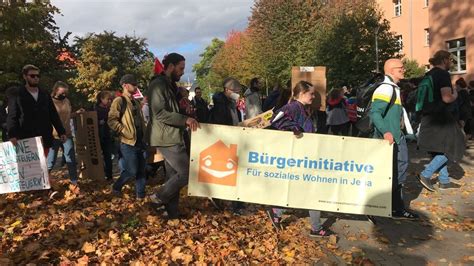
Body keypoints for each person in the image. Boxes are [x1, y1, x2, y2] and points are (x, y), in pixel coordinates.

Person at [267, 81, 334, 237]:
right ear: (302, 93)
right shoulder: (293, 107)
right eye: (311, 94)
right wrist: (293, 128)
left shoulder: (302, 108)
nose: (313, 96)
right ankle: (315, 228)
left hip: (304, 156)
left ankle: (277, 211)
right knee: (312, 189)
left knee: (303, 188)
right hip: (300, 156)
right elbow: (275, 120)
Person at [147, 53, 199, 219]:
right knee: (187, 173)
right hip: (166, 137)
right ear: (170, 66)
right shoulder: (158, 85)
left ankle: (172, 213)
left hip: (172, 135)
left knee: (172, 176)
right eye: (181, 68)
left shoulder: (169, 85)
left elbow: (172, 108)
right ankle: (157, 198)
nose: (183, 72)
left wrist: (180, 97)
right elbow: (160, 113)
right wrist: (185, 119)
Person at [370, 58, 419, 219]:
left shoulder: (392, 88)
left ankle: (392, 207)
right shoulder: (386, 89)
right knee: (396, 173)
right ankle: (393, 208)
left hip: (396, 138)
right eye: (400, 68)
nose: (403, 70)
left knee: (395, 173)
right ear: (390, 70)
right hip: (391, 140)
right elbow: (375, 113)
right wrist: (386, 132)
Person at [417, 50, 465, 191]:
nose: (451, 63)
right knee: (455, 145)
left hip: (429, 116)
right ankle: (425, 174)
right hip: (441, 117)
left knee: (440, 149)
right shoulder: (443, 74)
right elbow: (447, 98)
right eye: (450, 60)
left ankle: (444, 181)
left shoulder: (429, 74)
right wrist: (455, 94)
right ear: (444, 60)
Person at [7, 64, 66, 155]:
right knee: (30, 168)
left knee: (43, 166)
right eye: (32, 76)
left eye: (38, 76)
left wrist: (61, 131)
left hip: (44, 136)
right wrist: (12, 135)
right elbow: (12, 116)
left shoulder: (45, 94)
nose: (36, 78)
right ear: (25, 77)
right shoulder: (17, 94)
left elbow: (53, 114)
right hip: (25, 137)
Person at [108, 74, 147, 199]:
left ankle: (140, 196)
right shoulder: (119, 101)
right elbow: (112, 120)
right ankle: (116, 186)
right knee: (131, 171)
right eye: (133, 84)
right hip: (128, 143)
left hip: (140, 141)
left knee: (142, 171)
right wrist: (124, 131)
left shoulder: (136, 101)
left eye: (136, 84)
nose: (136, 86)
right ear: (125, 85)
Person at [47, 81, 84, 185]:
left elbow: (67, 116)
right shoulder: (49, 101)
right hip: (53, 135)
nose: (64, 95)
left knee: (71, 160)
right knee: (50, 162)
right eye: (62, 93)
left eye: (66, 93)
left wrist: (76, 113)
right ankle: (43, 183)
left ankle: (74, 182)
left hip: (67, 134)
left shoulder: (67, 100)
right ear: (55, 90)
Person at [95, 90, 113, 181]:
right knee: (98, 156)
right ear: (101, 99)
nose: (109, 101)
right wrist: (98, 122)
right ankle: (100, 174)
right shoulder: (95, 109)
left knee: (108, 156)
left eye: (110, 99)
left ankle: (109, 176)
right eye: (107, 99)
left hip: (107, 135)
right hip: (98, 136)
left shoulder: (109, 109)